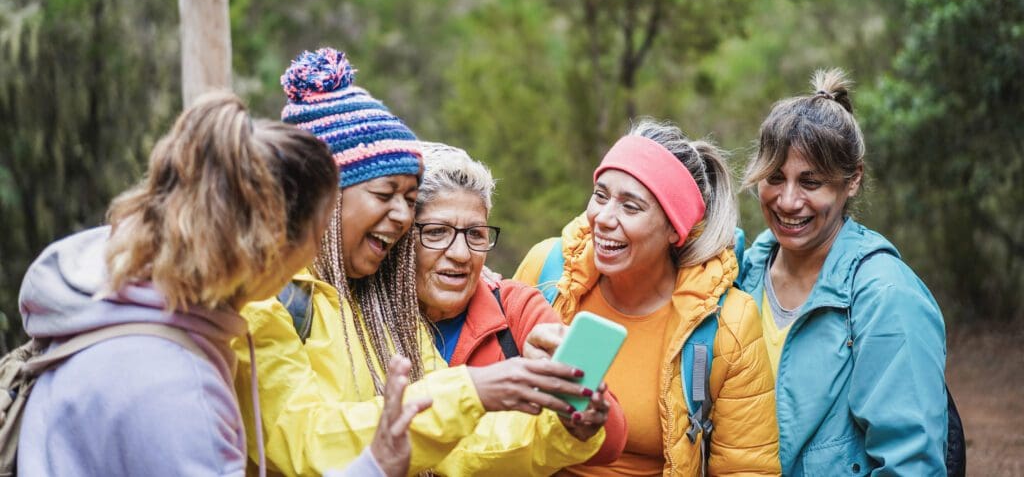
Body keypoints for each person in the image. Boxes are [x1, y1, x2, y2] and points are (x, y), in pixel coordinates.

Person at [235, 47, 611, 477]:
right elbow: (303, 439)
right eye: (384, 194)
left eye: (410, 201)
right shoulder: (263, 299)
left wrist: (559, 430)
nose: (401, 216)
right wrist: (473, 391)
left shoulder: (383, 303)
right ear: (325, 195)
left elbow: (456, 445)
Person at [17, 91, 428, 477]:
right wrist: (375, 467)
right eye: (319, 235)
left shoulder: (123, 303)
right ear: (272, 243)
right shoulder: (174, 385)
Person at [516, 119, 781, 476]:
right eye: (601, 195)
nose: (603, 219)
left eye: (631, 206)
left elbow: (747, 469)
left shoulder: (726, 324)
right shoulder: (548, 273)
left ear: (675, 229)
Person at [736, 69, 948, 475]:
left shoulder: (887, 296)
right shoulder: (739, 278)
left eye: (811, 182)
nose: (788, 200)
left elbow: (911, 463)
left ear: (852, 181)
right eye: (775, 178)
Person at [413, 141, 627, 466]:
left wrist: (580, 410)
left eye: (475, 234)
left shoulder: (515, 307)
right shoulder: (367, 316)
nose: (460, 254)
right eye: (437, 232)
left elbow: (610, 442)